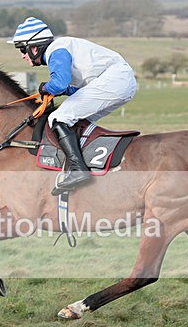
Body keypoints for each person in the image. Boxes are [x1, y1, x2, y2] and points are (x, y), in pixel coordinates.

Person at [9, 17, 137, 194]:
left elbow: (59, 83)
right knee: (75, 121)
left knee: (58, 118)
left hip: (115, 80)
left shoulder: (56, 50)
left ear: (34, 47)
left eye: (22, 49)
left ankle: (78, 170)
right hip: (120, 81)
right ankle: (82, 165)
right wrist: (62, 91)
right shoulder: (62, 47)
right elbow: (76, 89)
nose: (22, 55)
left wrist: (45, 88)